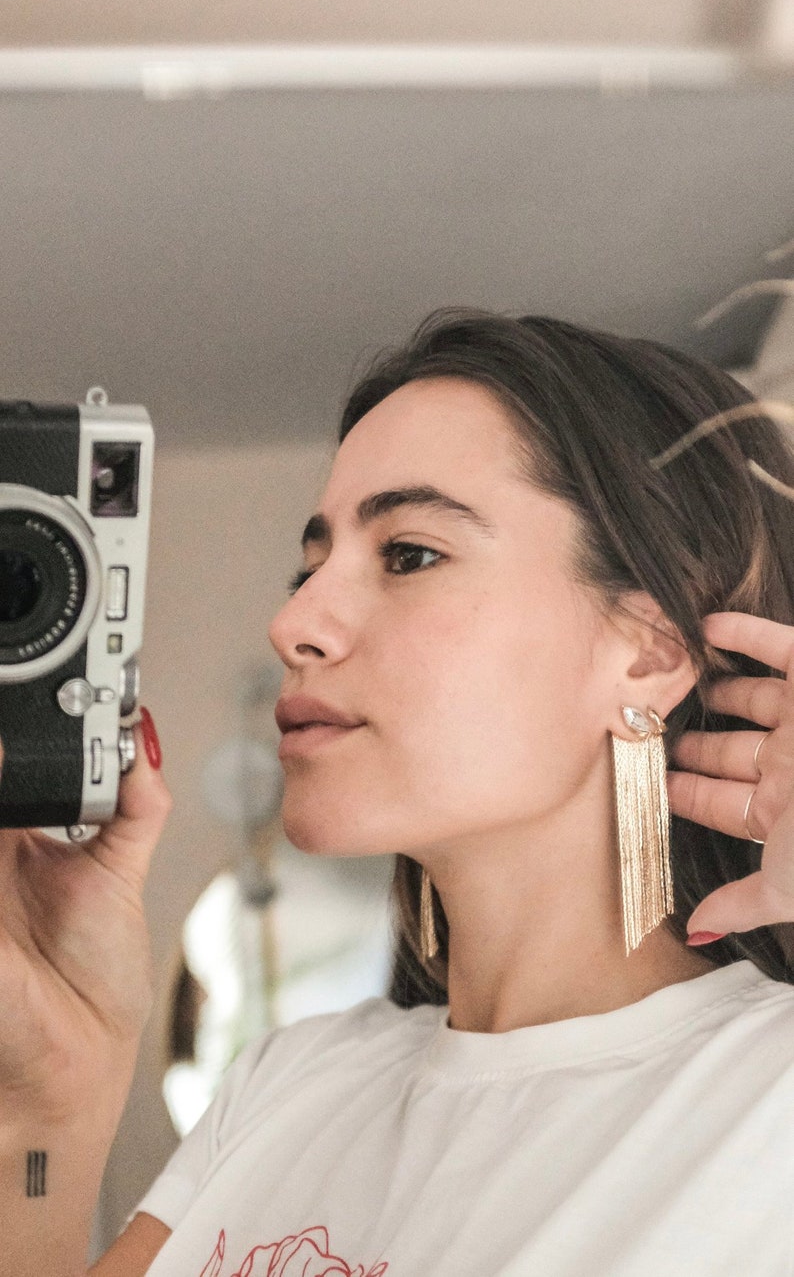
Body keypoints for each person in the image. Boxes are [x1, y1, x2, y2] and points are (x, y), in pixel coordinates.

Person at [4, 309, 794, 1277]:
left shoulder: (768, 1097)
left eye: (407, 553)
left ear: (648, 651)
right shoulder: (288, 1082)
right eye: (308, 565)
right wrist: (52, 1099)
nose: (292, 621)